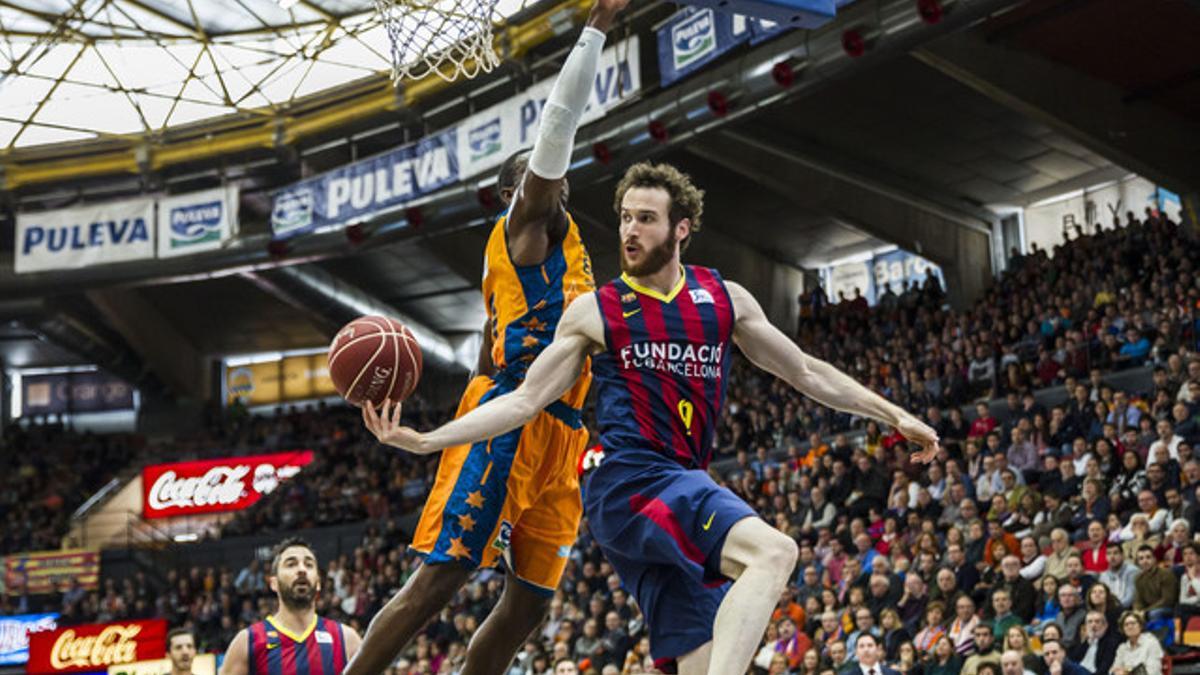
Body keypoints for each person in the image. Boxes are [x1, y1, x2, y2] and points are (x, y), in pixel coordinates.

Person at [360, 160, 940, 672]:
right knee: (774, 553)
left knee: (704, 655)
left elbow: (807, 372)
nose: (630, 231)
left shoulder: (724, 298)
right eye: (625, 218)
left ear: (681, 228)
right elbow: (523, 400)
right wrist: (426, 439)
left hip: (670, 493)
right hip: (634, 483)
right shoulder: (598, 310)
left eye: (646, 219)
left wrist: (893, 414)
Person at [344, 2, 629, 674]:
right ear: (517, 191)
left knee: (530, 605)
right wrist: (596, 31)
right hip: (510, 423)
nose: (557, 184)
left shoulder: (561, 247)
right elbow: (556, 131)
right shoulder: (526, 224)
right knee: (439, 582)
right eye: (540, 180)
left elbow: (489, 338)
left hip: (561, 434)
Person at [218, 537, 361, 675]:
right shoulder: (247, 642)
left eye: (309, 564)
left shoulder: (346, 639)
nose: (301, 570)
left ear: (318, 583)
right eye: (291, 564)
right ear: (274, 583)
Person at [1068, 611, 1119, 675]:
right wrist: (1087, 642)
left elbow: (1104, 668)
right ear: (1085, 626)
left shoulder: (1111, 643)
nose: (1093, 625)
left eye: (1097, 622)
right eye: (1090, 622)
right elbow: (1073, 659)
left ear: (1105, 625)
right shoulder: (1081, 642)